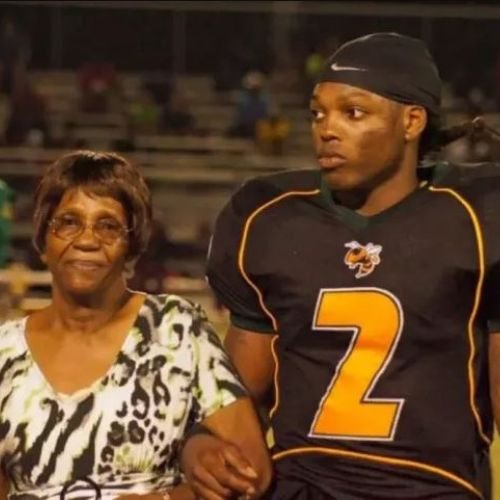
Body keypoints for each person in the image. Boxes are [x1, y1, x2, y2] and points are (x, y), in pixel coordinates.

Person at [206, 33, 500, 499]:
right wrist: (201, 448)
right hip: (301, 485)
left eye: (353, 112)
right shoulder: (268, 216)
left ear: (412, 121)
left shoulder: (477, 213)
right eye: (318, 113)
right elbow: (240, 405)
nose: (327, 129)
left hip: (433, 489)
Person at [0, 150, 271, 499]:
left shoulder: (176, 331)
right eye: (68, 222)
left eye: (108, 226)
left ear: (131, 245)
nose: (86, 240)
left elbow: (253, 471)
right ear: (43, 241)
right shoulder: (5, 352)